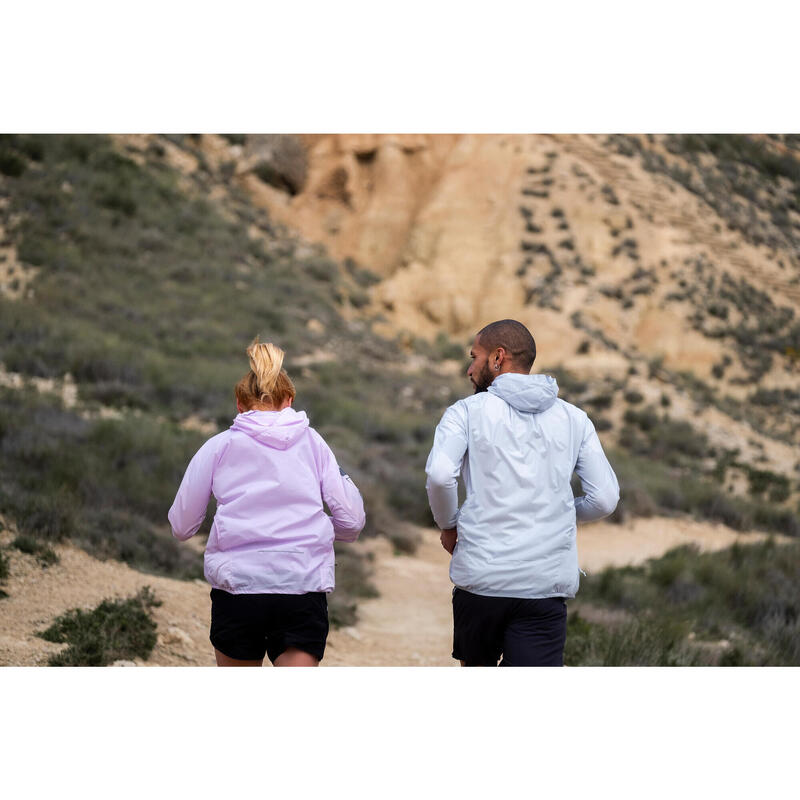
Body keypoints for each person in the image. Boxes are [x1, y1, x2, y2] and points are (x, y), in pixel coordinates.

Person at [425, 319, 619, 666]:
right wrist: (557, 513)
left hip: (482, 582)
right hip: (545, 585)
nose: (469, 369)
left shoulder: (465, 413)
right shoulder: (575, 419)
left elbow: (440, 476)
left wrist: (448, 525)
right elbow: (604, 499)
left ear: (498, 358)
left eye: (475, 356)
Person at [168, 337, 366, 667]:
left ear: (239, 403)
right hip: (302, 585)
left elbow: (182, 526)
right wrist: (323, 531)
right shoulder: (314, 444)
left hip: (238, 588)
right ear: (289, 399)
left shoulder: (218, 447)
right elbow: (352, 519)